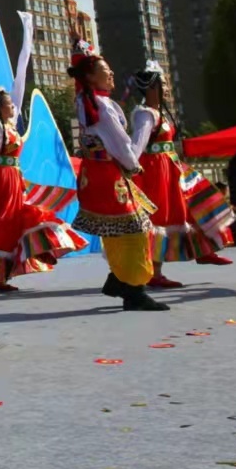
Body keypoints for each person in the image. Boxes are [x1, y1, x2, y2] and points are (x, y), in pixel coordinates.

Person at [68, 41, 166, 311]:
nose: (111, 74)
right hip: (109, 173)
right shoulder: (101, 105)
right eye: (105, 70)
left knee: (113, 231)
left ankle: (119, 279)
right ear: (90, 76)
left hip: (94, 175)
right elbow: (122, 145)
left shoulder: (85, 100)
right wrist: (134, 164)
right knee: (135, 231)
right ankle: (133, 289)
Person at [126, 63, 233, 288]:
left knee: (200, 205)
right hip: (155, 172)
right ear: (152, 87)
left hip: (173, 168)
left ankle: (205, 251)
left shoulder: (160, 113)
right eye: (163, 84)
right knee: (160, 219)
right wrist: (129, 167)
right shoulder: (145, 115)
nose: (166, 88)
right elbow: (138, 145)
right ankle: (154, 273)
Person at [0, 86, 85, 293]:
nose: (13, 106)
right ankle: (0, 275)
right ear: (0, 107)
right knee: (2, 223)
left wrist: (25, 54)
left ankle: (23, 260)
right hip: (1, 181)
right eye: (8, 103)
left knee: (15, 221)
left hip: (13, 178)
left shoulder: (9, 126)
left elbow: (19, 88)